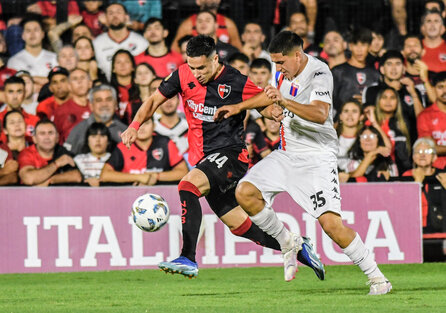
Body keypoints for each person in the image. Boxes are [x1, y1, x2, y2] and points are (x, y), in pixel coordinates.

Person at [215, 31, 392, 295]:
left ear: (297, 55)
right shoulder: (283, 72)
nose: (278, 68)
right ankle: (289, 242)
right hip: (286, 153)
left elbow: (320, 114)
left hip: (317, 159)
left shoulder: (320, 73)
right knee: (246, 192)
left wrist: (286, 102)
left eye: (281, 62)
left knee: (332, 226)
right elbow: (270, 96)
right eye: (274, 62)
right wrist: (240, 107)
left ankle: (378, 279)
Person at [121, 35, 283, 278]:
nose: (195, 73)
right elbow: (154, 99)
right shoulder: (182, 74)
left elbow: (262, 102)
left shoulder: (234, 80)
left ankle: (188, 257)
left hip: (231, 154)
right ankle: (297, 246)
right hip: (204, 159)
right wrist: (134, 125)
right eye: (192, 66)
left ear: (215, 59)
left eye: (201, 67)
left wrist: (274, 112)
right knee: (239, 226)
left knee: (187, 186)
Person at [101, 118, 188, 185]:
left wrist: (156, 176)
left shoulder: (166, 143)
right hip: (130, 196)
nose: (141, 128)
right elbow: (105, 175)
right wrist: (139, 177)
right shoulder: (123, 146)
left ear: (154, 126)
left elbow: (183, 172)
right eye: (138, 124)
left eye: (146, 123)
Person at [363, 50, 423, 143]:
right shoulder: (372, 91)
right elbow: (368, 120)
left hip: (409, 145)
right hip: (380, 143)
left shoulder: (413, 90)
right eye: (389, 64)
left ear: (404, 69)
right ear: (382, 69)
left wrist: (413, 93)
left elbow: (422, 120)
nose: (394, 68)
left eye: (398, 64)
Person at [397, 138, 446, 233]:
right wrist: (417, 183)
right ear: (413, 157)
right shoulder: (407, 176)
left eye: (427, 151)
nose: (422, 154)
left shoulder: (443, 175)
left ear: (434, 156)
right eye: (418, 151)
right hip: (414, 227)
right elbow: (402, 205)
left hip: (440, 228)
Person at [64, 84, 127, 155]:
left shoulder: (125, 130)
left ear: (115, 104)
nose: (104, 104)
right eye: (99, 100)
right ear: (91, 105)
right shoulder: (78, 130)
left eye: (108, 99)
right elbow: (67, 157)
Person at [332, 28, 380, 119]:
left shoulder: (375, 74)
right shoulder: (337, 72)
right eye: (355, 45)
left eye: (363, 45)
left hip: (368, 123)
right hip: (342, 123)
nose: (359, 50)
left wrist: (366, 101)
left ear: (369, 47)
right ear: (350, 46)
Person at [93, 3, 148, 80]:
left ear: (126, 17)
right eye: (111, 13)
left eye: (118, 12)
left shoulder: (141, 42)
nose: (115, 16)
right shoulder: (96, 44)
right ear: (105, 18)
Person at [18, 119, 82, 186]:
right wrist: (56, 164)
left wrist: (50, 180)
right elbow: (29, 179)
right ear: (34, 139)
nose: (47, 137)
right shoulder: (27, 153)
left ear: (57, 138)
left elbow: (76, 176)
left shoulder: (61, 151)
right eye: (42, 133)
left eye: (50, 133)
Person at [7, 16, 57, 91]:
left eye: (36, 30)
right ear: (23, 36)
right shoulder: (14, 61)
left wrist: (30, 79)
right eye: (28, 31)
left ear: (42, 34)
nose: (32, 34)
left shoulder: (54, 57)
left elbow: (58, 82)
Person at [171, 0, 242, 52]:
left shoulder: (227, 23)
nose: (203, 24)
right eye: (200, 21)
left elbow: (238, 51)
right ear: (198, 1)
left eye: (208, 21)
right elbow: (175, 51)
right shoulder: (188, 24)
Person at [373, 87, 412, 174]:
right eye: (384, 97)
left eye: (392, 98)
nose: (388, 101)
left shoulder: (405, 123)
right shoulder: (371, 123)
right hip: (378, 172)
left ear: (398, 102)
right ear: (378, 100)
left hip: (404, 173)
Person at [53, 68, 92, 144]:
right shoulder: (61, 111)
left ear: (90, 83)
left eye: (82, 78)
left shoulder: (98, 107)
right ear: (69, 86)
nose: (79, 82)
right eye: (75, 79)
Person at [417, 71, 446, 169]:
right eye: (440, 87)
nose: (445, 91)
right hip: (435, 169)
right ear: (433, 89)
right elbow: (430, 147)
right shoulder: (425, 116)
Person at [0, 76, 39, 140]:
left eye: (19, 91)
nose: (15, 97)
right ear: (4, 94)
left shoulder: (34, 121)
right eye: (10, 92)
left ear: (24, 94)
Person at [74, 122, 112, 187]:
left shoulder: (115, 159)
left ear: (108, 141)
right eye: (93, 136)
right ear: (87, 140)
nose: (98, 140)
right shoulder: (77, 160)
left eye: (102, 136)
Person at [336, 99, 364, 173]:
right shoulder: (331, 138)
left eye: (354, 111)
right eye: (346, 111)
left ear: (361, 117)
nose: (350, 115)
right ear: (341, 116)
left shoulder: (366, 139)